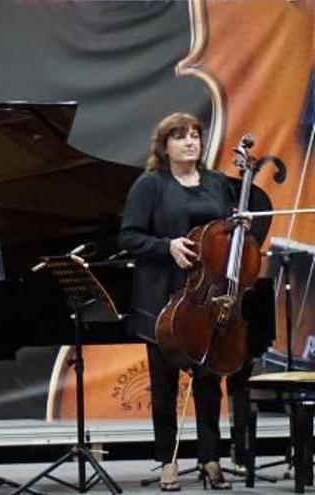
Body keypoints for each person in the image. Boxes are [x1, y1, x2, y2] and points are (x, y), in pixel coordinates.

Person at [119, 112, 234, 491]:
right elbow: (130, 237)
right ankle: (167, 461)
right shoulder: (149, 185)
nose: (191, 142)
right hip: (164, 299)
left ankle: (210, 458)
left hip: (208, 298)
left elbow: (230, 230)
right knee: (164, 386)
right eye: (181, 137)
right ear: (164, 145)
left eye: (195, 136)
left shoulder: (218, 183)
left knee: (208, 383)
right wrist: (165, 246)